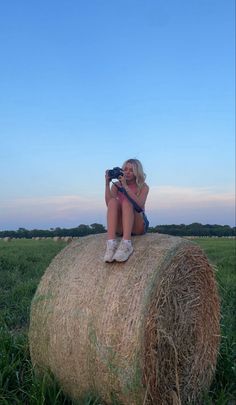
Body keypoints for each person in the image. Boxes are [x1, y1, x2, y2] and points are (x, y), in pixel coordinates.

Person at [104, 158, 149, 262]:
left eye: (131, 170)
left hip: (138, 224)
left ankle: (126, 244)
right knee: (113, 201)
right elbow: (109, 205)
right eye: (125, 169)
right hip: (122, 226)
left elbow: (139, 206)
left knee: (127, 202)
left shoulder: (143, 187)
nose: (127, 172)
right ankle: (111, 244)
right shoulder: (116, 186)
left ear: (137, 172)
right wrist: (107, 184)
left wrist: (125, 186)